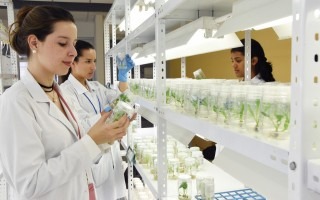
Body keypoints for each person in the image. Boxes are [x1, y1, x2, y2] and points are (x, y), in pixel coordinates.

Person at [0, 5, 132, 199]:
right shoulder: (15, 102)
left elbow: (76, 153)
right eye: (63, 43)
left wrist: (106, 139)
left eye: (74, 43)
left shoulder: (60, 95)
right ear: (34, 43)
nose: (72, 52)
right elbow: (29, 184)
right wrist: (93, 141)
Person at [60, 40, 135, 200]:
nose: (93, 67)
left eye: (94, 61)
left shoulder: (96, 86)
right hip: (91, 160)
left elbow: (122, 102)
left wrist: (123, 79)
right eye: (87, 61)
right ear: (73, 62)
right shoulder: (66, 92)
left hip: (110, 158)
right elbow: (81, 126)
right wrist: (106, 115)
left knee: (115, 193)